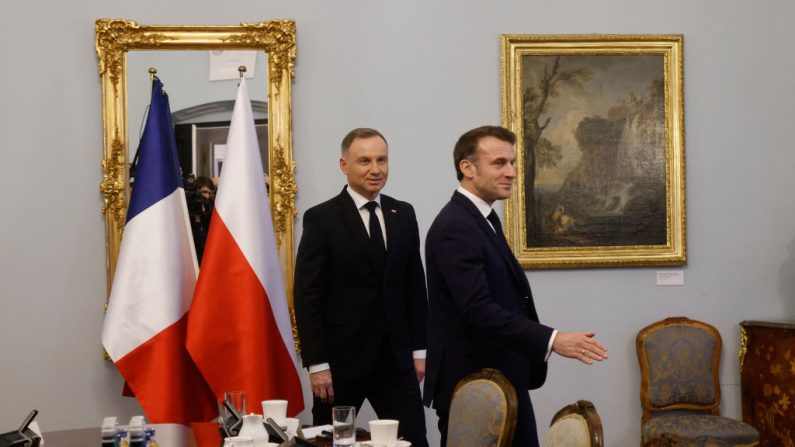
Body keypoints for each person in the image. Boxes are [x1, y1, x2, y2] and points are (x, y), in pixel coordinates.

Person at [423, 125, 608, 447]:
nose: (511, 172)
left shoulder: (482, 218)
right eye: (498, 163)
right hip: (476, 388)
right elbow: (478, 309)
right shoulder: (456, 225)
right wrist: (552, 340)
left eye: (512, 163)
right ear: (467, 168)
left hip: (502, 379)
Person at [294, 128, 429, 447]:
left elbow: (414, 287)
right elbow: (307, 295)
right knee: (331, 443)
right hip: (338, 366)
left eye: (382, 160)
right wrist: (317, 364)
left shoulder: (403, 213)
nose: (375, 169)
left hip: (396, 362)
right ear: (344, 165)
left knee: (414, 442)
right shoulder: (322, 218)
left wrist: (420, 350)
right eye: (365, 160)